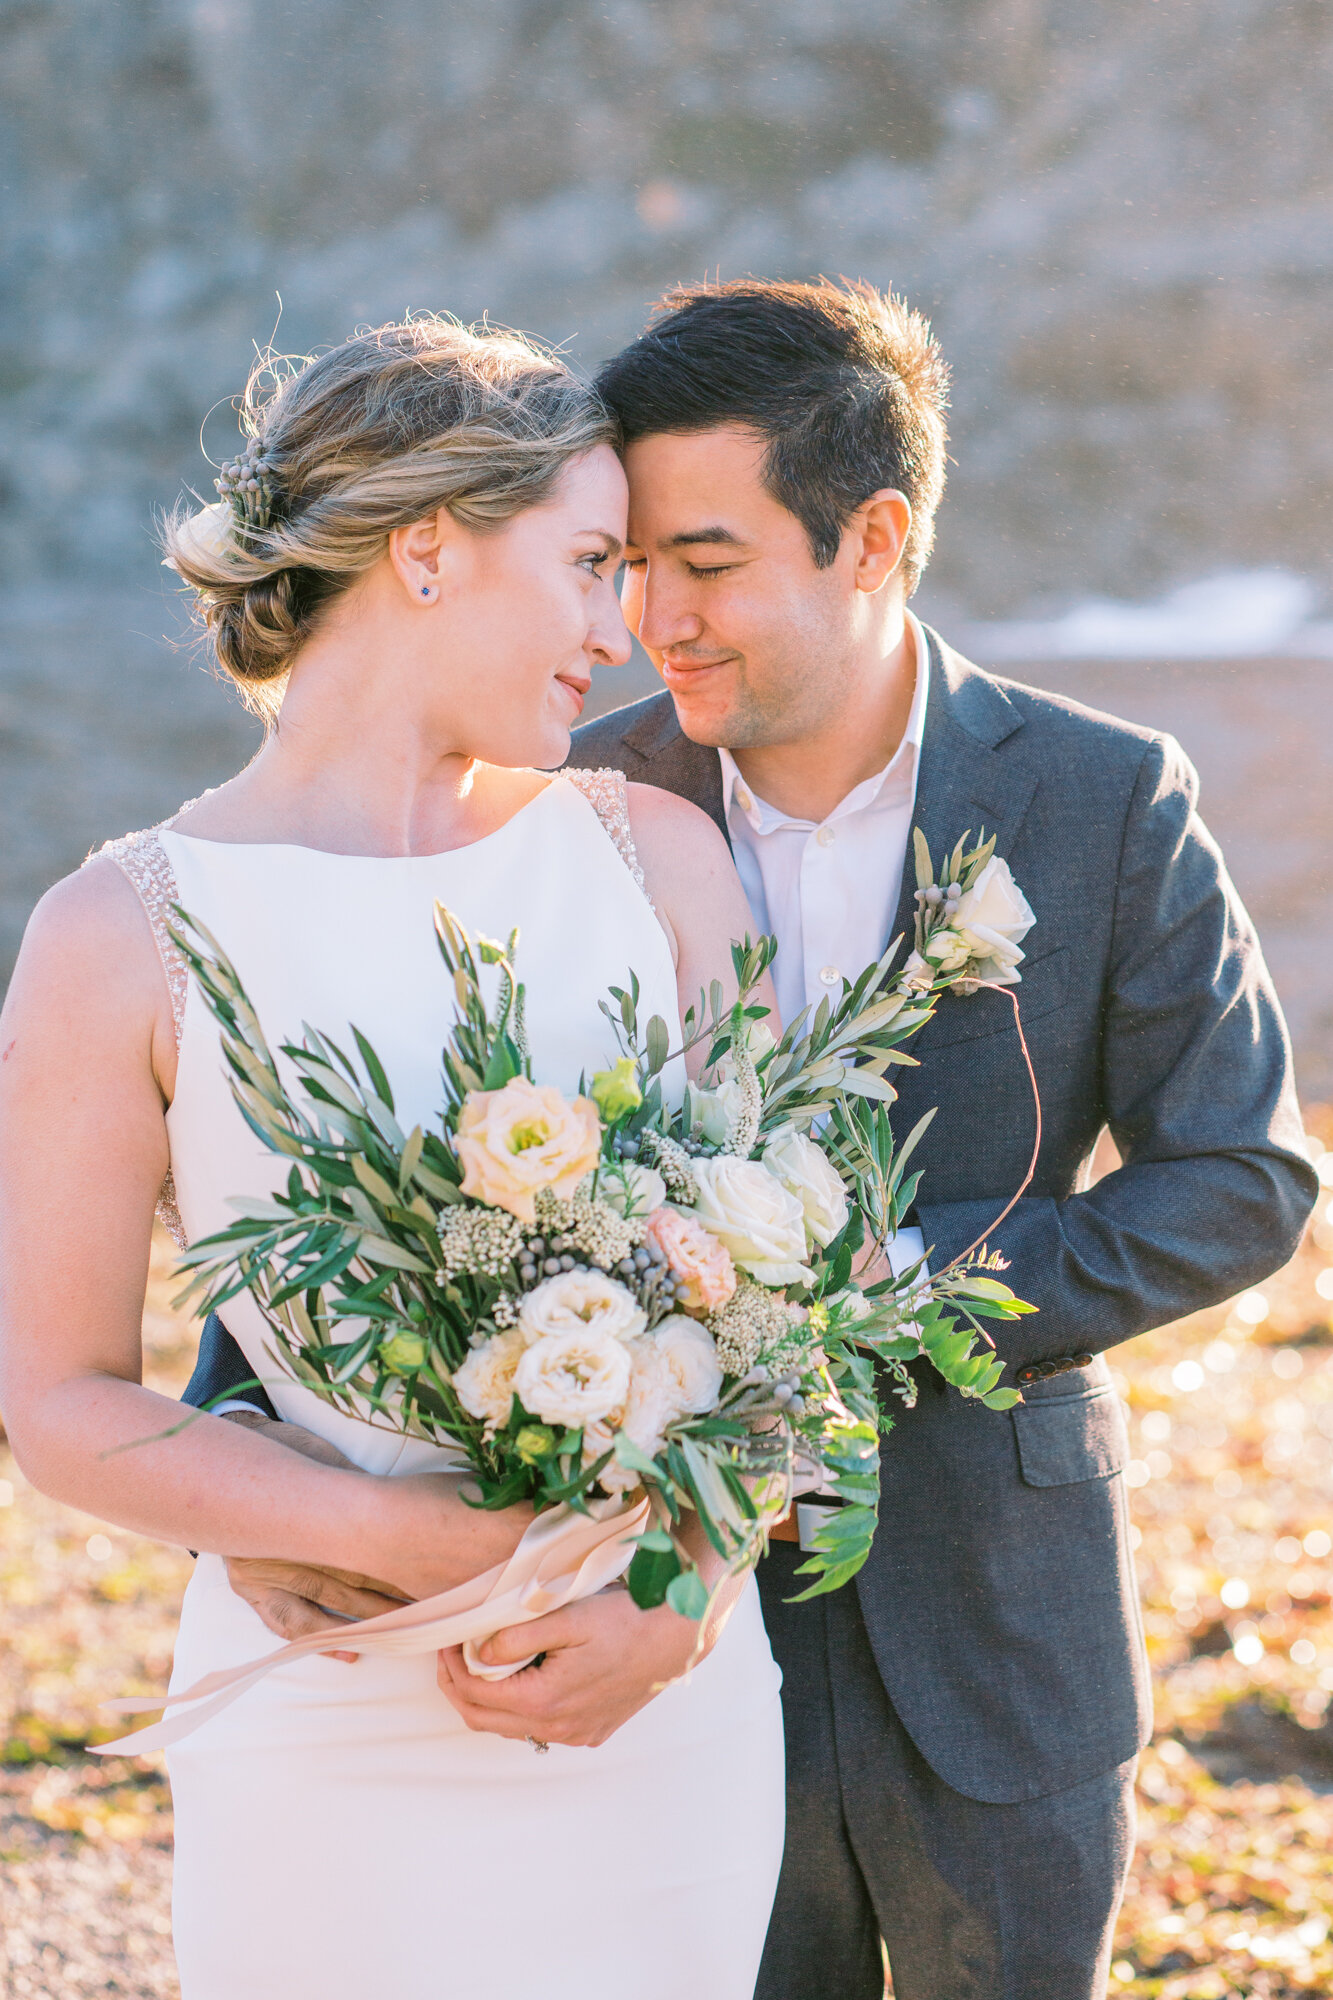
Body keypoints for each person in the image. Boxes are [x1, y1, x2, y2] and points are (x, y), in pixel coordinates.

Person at [185, 278, 1317, 1998]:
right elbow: (372, 1139)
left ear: (870, 540)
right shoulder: (559, 807)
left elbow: (1237, 1180)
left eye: (702, 566)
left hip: (994, 1620)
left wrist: (889, 1291)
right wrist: (236, 1441)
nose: (649, 622)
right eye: (623, 566)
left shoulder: (1102, 797)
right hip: (640, 1632)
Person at [0, 316, 786, 2000]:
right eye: (587, 565)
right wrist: (395, 1537)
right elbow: (60, 1399)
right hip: (331, 1716)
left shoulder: (656, 859)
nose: (619, 628)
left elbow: (805, 1283)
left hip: (660, 1716)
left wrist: (685, 1588)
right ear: (426, 550)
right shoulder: (117, 932)